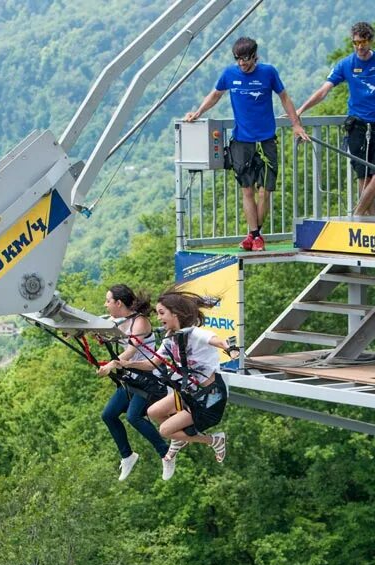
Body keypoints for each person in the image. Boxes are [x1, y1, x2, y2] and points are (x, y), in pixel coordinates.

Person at [185, 37, 309, 251]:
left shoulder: (268, 72)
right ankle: (255, 235)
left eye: (246, 59)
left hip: (266, 139)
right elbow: (215, 95)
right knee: (247, 190)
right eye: (238, 60)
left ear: (255, 57)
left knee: (265, 191)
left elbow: (284, 98)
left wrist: (295, 124)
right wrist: (198, 112)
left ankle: (254, 234)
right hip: (242, 141)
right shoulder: (229, 74)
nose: (242, 64)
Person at [297, 22, 375, 216]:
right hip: (357, 127)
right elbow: (324, 90)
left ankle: (355, 216)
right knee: (363, 179)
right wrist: (301, 110)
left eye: (363, 42)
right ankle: (371, 230)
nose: (359, 47)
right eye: (355, 43)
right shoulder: (346, 64)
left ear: (371, 41)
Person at [145, 288, 232, 481]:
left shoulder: (193, 334)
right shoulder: (170, 339)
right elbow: (152, 362)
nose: (159, 319)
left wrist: (226, 346)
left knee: (165, 430)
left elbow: (212, 339)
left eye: (161, 313)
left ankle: (214, 440)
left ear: (174, 314)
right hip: (191, 394)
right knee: (153, 412)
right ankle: (180, 438)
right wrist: (119, 363)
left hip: (209, 398)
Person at [98, 285, 169, 481]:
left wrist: (111, 365)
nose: (105, 305)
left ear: (118, 303)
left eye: (108, 301)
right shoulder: (117, 321)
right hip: (131, 378)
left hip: (148, 378)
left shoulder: (140, 323)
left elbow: (130, 351)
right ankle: (128, 455)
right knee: (109, 415)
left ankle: (166, 453)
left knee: (133, 416)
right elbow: (96, 327)